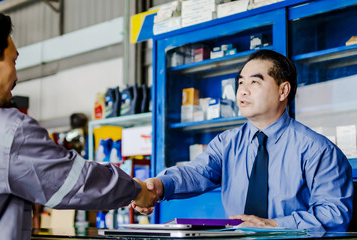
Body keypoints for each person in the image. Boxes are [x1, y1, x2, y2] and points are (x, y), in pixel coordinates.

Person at [0, 9, 156, 239]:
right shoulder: (7, 131)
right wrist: (135, 190)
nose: (16, 76)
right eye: (13, 61)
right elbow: (75, 181)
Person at [132, 49, 354, 231]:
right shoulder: (227, 143)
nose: (243, 91)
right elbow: (197, 172)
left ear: (283, 90)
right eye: (240, 83)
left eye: (255, 82)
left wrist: (274, 224)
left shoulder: (318, 150)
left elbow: (334, 213)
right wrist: (159, 186)